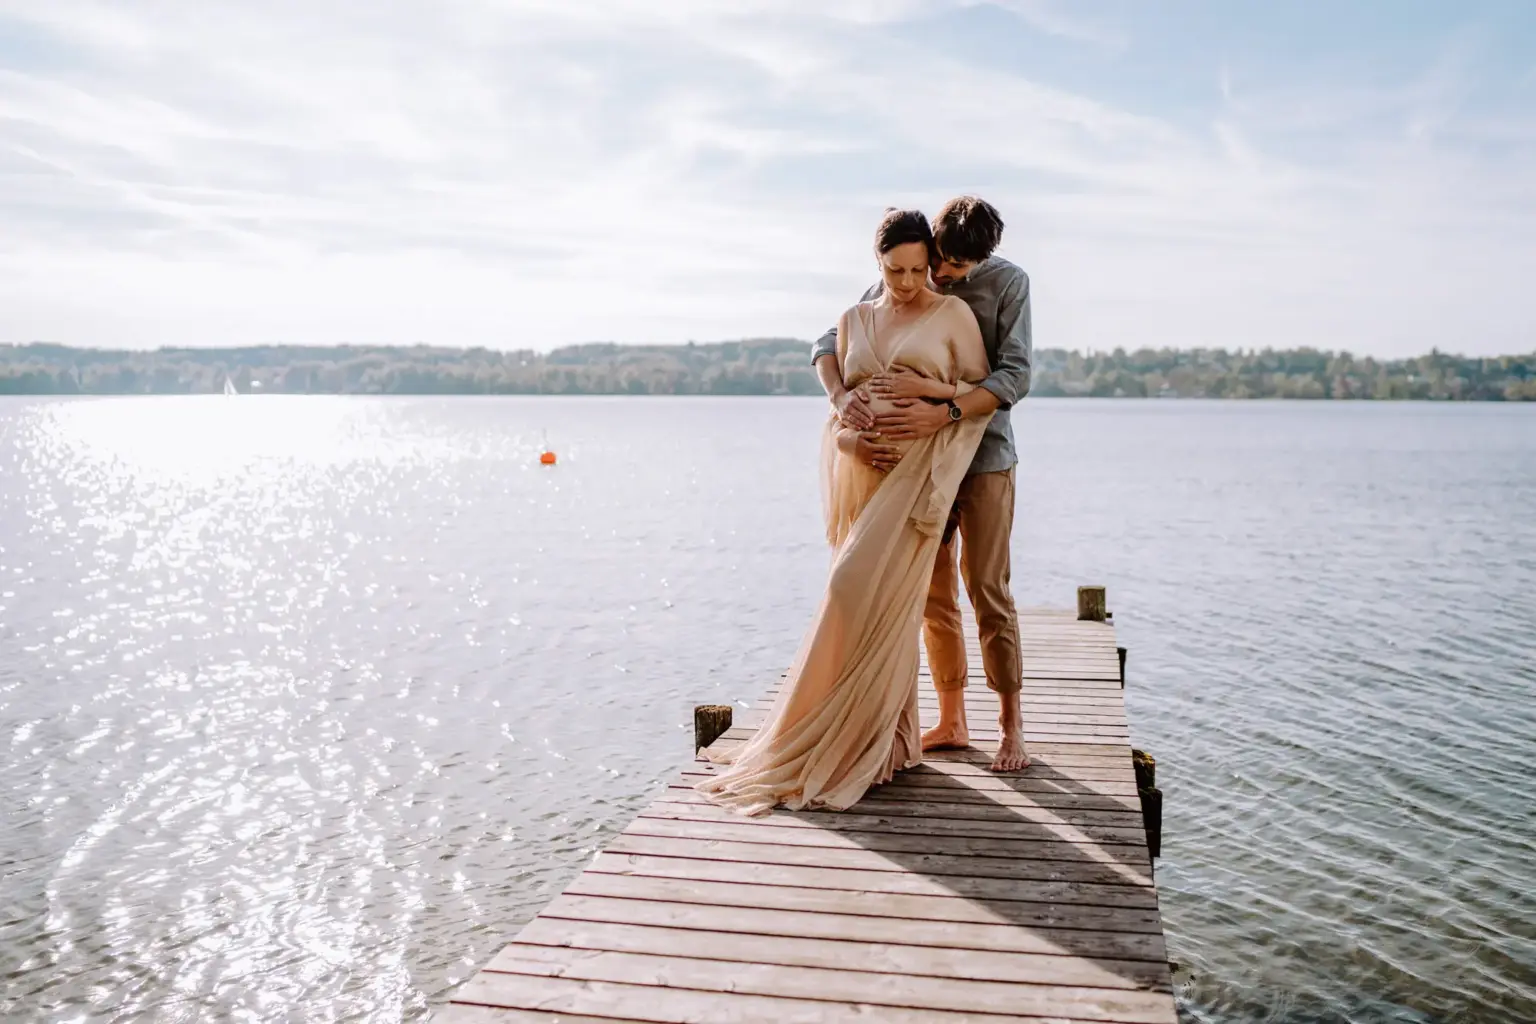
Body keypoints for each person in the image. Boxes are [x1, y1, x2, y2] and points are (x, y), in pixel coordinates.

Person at [695, 209, 993, 816]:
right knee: (859, 595)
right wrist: (850, 439)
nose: (908, 282)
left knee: (862, 595)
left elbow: (978, 394)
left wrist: (928, 392)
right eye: (895, 269)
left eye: (917, 268)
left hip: (916, 478)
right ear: (876, 262)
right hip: (861, 475)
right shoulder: (852, 321)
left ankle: (868, 738)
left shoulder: (952, 314)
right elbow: (839, 412)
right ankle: (890, 741)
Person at [812, 195, 1033, 773]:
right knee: (933, 594)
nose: (940, 276)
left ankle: (1012, 729)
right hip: (918, 466)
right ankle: (953, 718)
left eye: (956, 269)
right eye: (940, 262)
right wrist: (843, 402)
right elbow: (827, 343)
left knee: (987, 589)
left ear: (982, 260)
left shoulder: (1008, 285)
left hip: (983, 458)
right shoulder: (909, 270)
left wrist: (948, 411)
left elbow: (1015, 374)